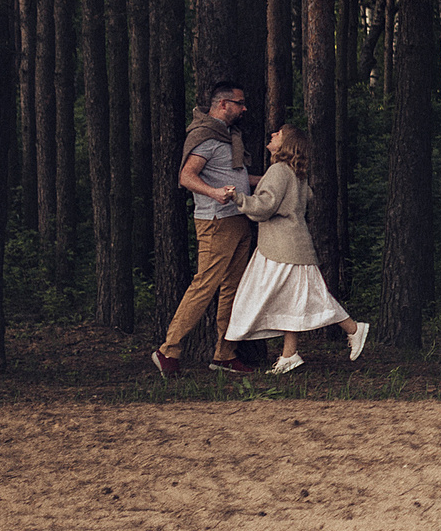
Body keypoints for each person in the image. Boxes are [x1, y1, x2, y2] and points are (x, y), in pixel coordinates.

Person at [224, 124, 367, 373]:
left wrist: (238, 198)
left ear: (285, 144)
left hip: (281, 249)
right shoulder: (295, 172)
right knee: (292, 299)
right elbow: (304, 197)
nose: (271, 135)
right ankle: (289, 355)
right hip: (290, 247)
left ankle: (354, 328)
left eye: (277, 134)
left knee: (264, 297)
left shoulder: (279, 170)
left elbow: (264, 207)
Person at [150, 80, 260, 377]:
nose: (244, 108)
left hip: (238, 218)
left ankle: (224, 354)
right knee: (205, 285)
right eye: (239, 102)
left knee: (232, 289)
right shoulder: (205, 136)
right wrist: (213, 193)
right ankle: (168, 349)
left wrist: (271, 180)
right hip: (215, 221)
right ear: (223, 104)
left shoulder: (229, 136)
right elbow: (186, 176)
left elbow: (235, 177)